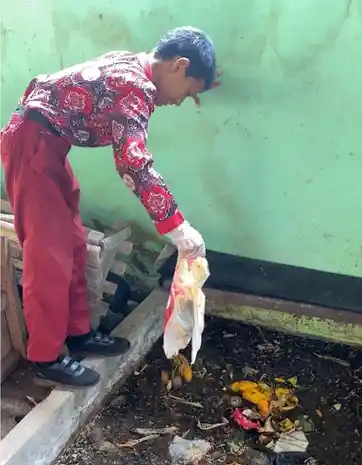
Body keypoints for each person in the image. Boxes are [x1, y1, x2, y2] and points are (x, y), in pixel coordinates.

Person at [0, 26, 220, 388]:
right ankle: (45, 356)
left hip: (48, 144)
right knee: (47, 255)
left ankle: (78, 334)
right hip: (32, 144)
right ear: (179, 66)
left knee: (71, 243)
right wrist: (177, 227)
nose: (180, 102)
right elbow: (134, 163)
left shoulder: (132, 66)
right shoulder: (135, 89)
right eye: (188, 93)